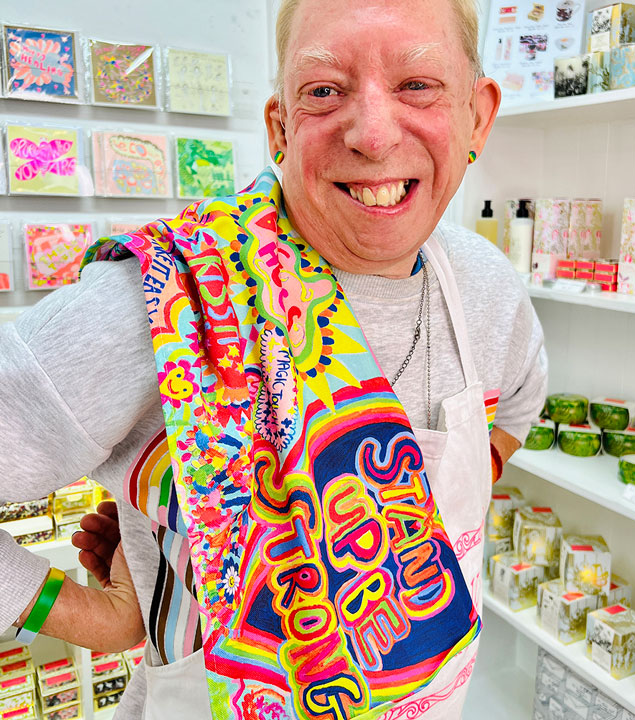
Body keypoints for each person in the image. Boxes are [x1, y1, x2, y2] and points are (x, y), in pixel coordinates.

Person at [0, 0, 547, 717]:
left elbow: (519, 408)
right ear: (280, 127)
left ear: (477, 115)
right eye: (324, 91)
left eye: (417, 84)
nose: (375, 135)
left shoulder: (486, 286)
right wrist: (96, 617)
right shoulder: (165, 301)